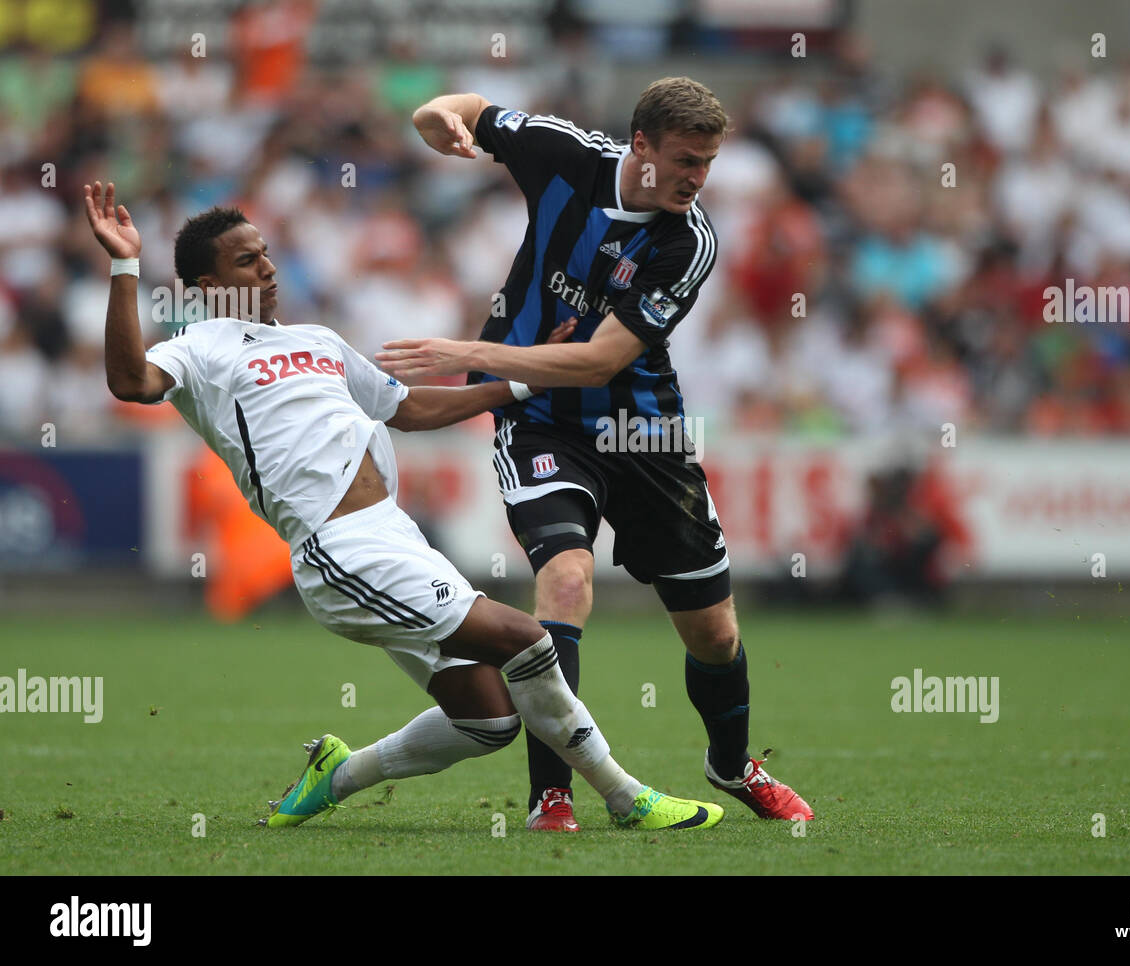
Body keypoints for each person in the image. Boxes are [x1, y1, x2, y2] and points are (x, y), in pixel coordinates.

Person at [82, 180, 723, 832]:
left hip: (395, 535)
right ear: (205, 284)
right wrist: (125, 264)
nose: (268, 267)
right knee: (526, 640)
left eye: (266, 253)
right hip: (337, 549)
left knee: (488, 718)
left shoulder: (318, 340)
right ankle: (624, 797)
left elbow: (409, 409)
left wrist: (524, 379)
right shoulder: (197, 347)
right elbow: (130, 381)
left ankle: (338, 773)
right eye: (246, 261)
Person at [377, 78, 813, 830]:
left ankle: (731, 764)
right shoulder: (563, 154)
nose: (697, 178)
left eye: (708, 163)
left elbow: (599, 361)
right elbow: (456, 108)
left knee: (713, 632)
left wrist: (466, 349)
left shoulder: (687, 241)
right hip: (537, 417)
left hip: (643, 434)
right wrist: (438, 120)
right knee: (567, 581)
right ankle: (553, 792)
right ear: (640, 144)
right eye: (685, 160)